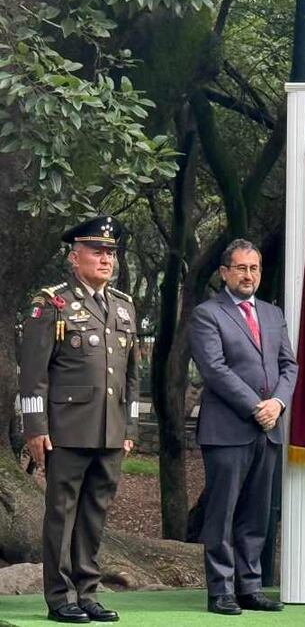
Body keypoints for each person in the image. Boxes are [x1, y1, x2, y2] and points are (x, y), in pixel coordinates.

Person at [19, 216, 138, 623]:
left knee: (94, 514)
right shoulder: (52, 303)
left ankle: (88, 592)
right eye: (97, 251)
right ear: (74, 257)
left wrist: (130, 428)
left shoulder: (123, 305)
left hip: (111, 430)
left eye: (111, 253)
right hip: (67, 431)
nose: (106, 259)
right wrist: (35, 429)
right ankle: (59, 596)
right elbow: (33, 374)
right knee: (62, 514)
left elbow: (131, 377)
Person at [189, 238, 298, 615]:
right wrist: (256, 407)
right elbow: (214, 369)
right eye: (241, 268)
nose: (248, 275)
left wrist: (278, 403)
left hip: (268, 429)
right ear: (224, 273)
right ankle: (221, 591)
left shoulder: (272, 314)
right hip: (227, 430)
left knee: (256, 514)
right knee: (222, 514)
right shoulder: (208, 314)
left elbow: (289, 366)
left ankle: (249, 587)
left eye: (254, 268)